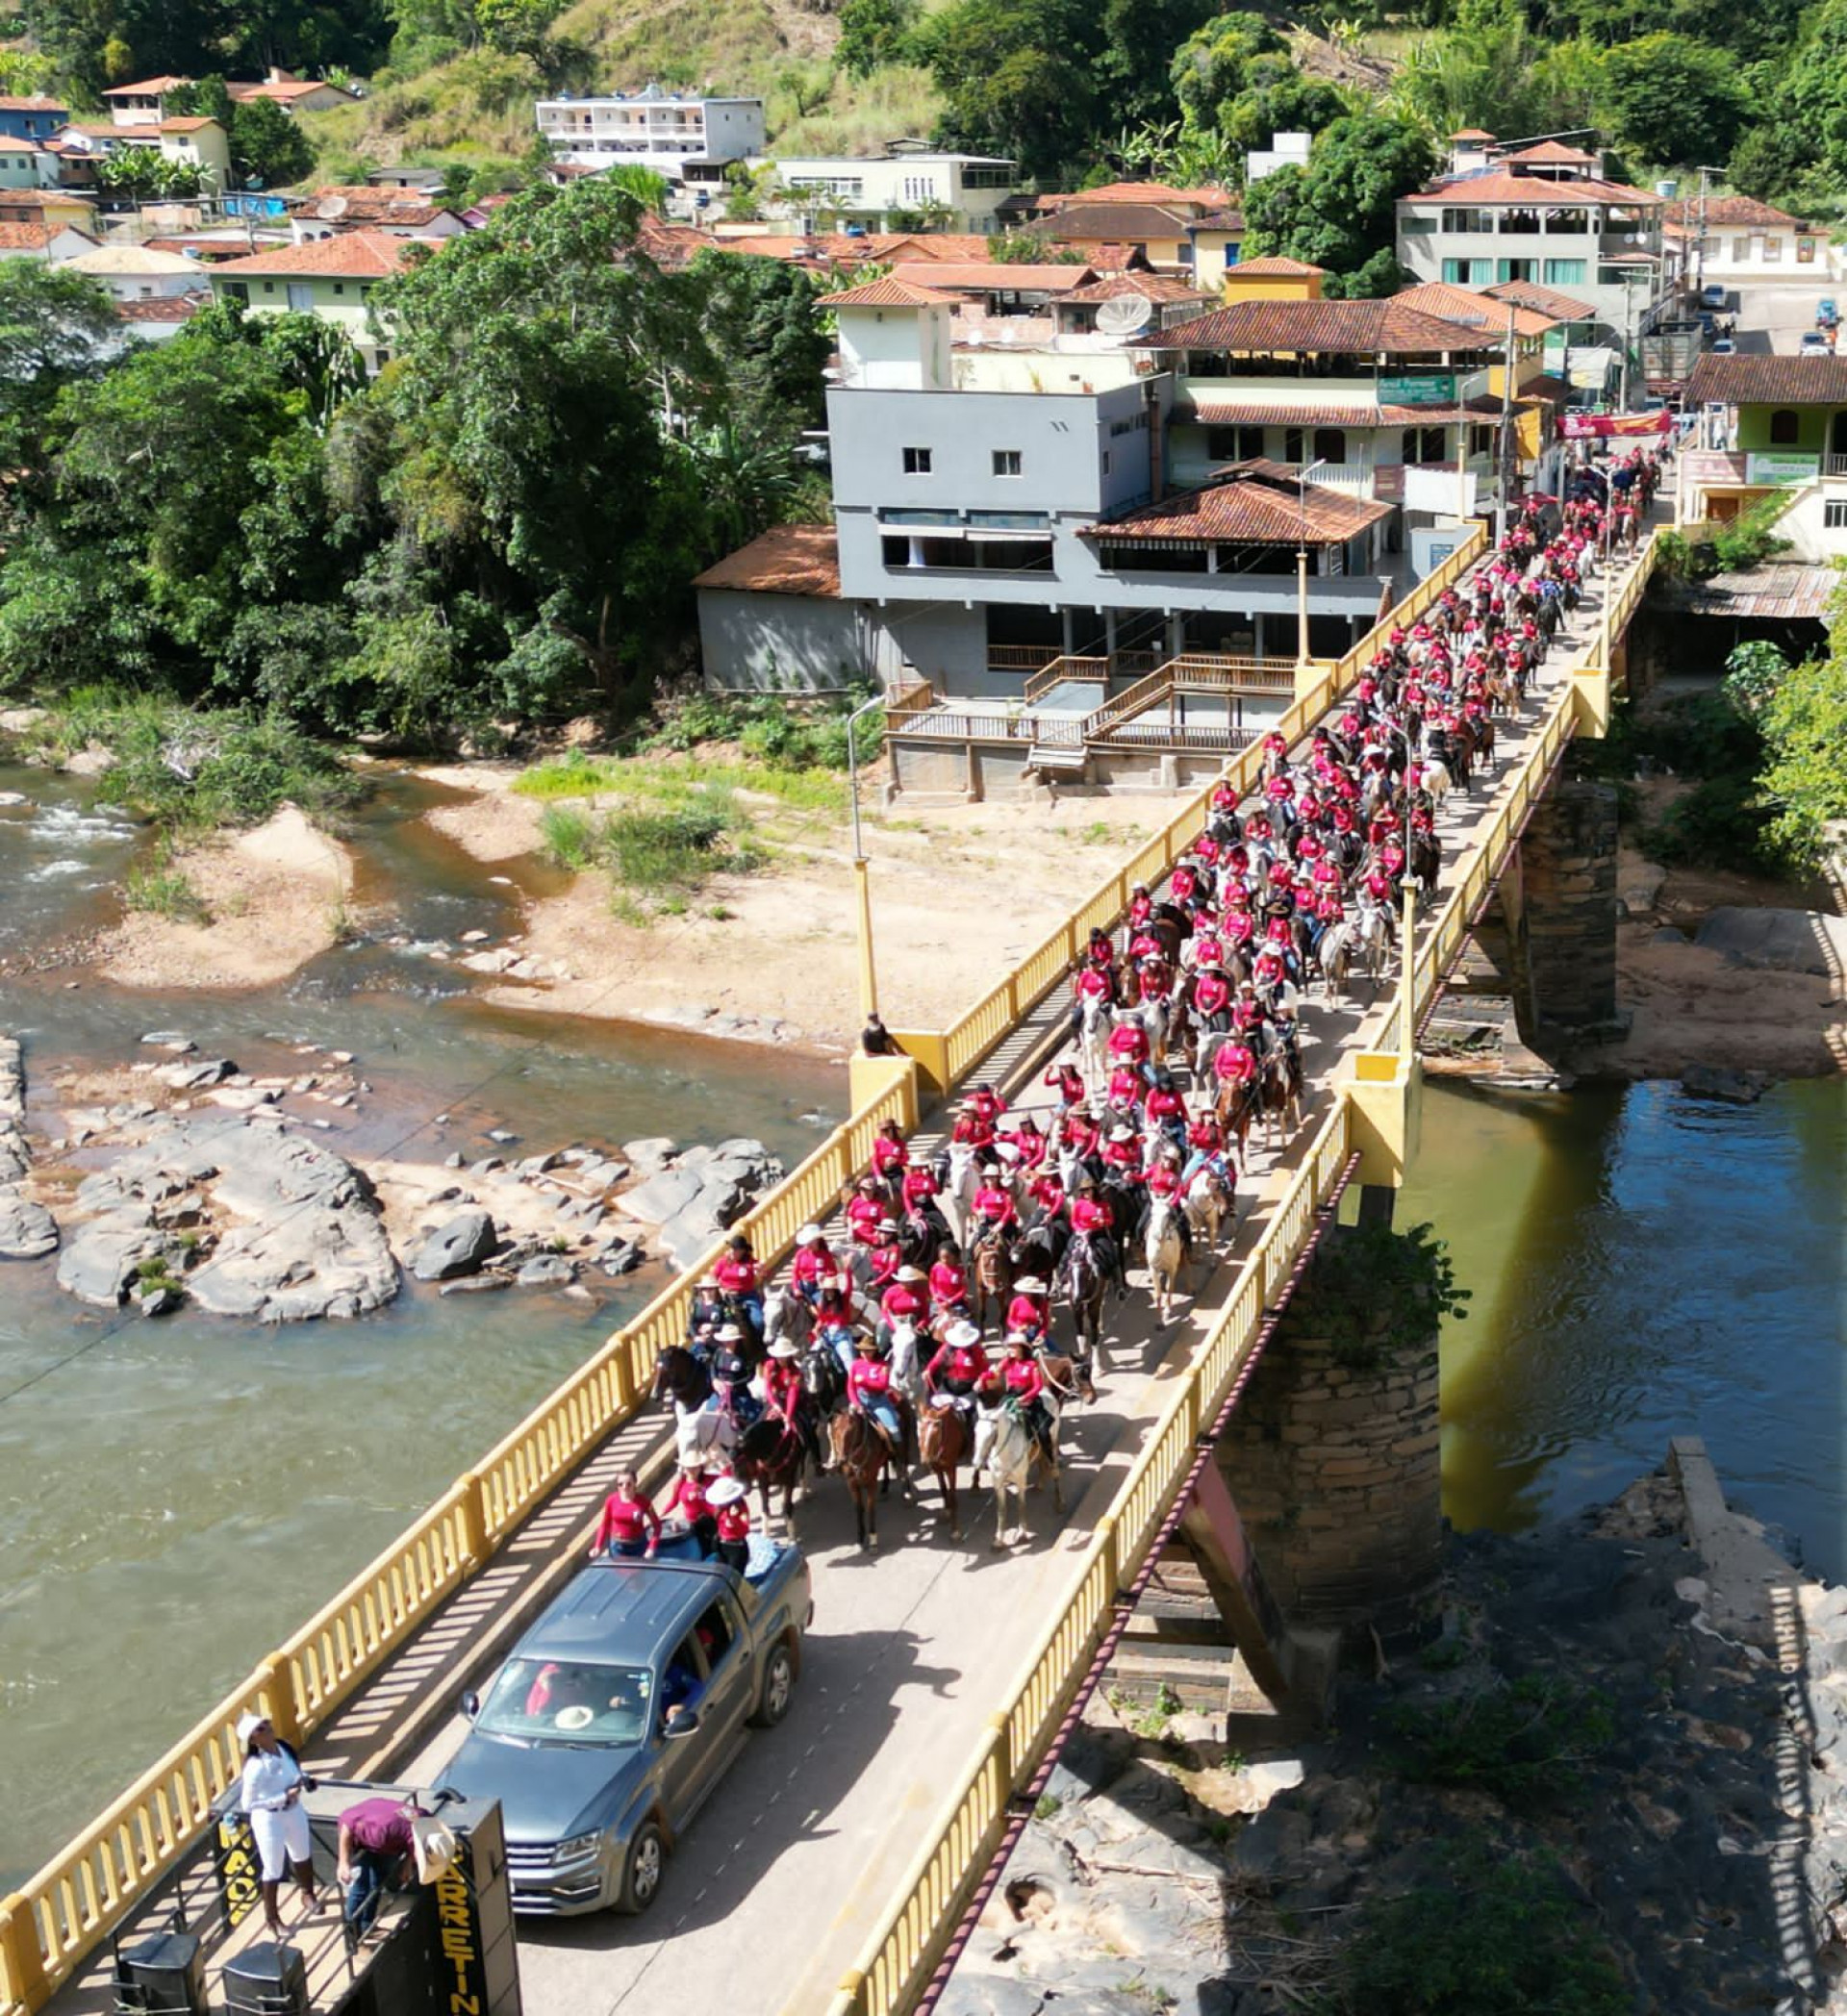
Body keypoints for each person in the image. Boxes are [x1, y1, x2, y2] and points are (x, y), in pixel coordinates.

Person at [239, 1712, 319, 1938]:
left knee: (302, 1852)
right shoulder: (255, 1766)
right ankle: (272, 1918)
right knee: (273, 1867)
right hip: (269, 1818)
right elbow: (248, 1803)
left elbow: (295, 1770)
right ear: (253, 1740)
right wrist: (281, 1798)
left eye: (266, 1723)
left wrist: (306, 1779)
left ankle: (308, 1893)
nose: (267, 1727)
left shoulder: (284, 1747)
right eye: (261, 1728)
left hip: (293, 1811)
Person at [336, 1794, 419, 1940]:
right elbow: (347, 1826)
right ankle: (353, 1940)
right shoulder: (381, 1831)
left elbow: (413, 1845)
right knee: (360, 1888)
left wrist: (408, 1864)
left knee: (377, 1883)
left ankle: (367, 1926)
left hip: (384, 1841)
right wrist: (343, 1862)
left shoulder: (423, 1822)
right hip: (362, 1838)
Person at [847, 1333, 904, 1452]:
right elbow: (850, 1387)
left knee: (894, 1431)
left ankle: (899, 1459)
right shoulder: (855, 1365)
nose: (865, 1354)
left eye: (868, 1351)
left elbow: (882, 1385)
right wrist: (857, 1405)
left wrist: (864, 1382)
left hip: (879, 1401)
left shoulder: (882, 1366)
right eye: (863, 1351)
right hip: (861, 1399)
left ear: (874, 1351)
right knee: (845, 1425)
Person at [590, 1467, 661, 1559]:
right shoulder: (611, 1500)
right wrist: (597, 1546)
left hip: (638, 1546)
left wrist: (651, 1548)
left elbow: (657, 1526)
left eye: (628, 1484)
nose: (624, 1487)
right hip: (617, 1547)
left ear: (635, 1484)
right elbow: (604, 1524)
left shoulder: (643, 1502)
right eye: (621, 1484)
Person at [663, 1460, 718, 1556]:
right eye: (689, 1467)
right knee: (700, 1550)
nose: (692, 1470)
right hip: (692, 1524)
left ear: (700, 1467)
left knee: (715, 1547)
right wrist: (660, 1514)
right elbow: (673, 1502)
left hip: (710, 1521)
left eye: (695, 1467)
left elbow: (726, 1478)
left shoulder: (708, 1480)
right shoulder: (680, 1484)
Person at [708, 1475, 751, 1575]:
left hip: (736, 1548)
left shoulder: (739, 1508)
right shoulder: (719, 1508)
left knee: (734, 1576)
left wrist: (734, 1521)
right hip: (721, 1544)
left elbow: (746, 1527)